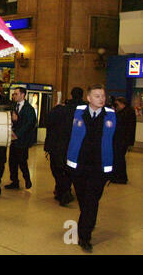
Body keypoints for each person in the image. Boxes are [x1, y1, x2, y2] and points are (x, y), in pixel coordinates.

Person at [66, 84, 116, 253]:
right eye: (97, 96)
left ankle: (85, 236)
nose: (101, 99)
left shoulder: (111, 116)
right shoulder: (76, 112)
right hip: (79, 166)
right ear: (88, 98)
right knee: (83, 200)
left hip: (99, 168)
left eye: (102, 96)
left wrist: (113, 168)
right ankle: (86, 224)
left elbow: (117, 142)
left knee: (92, 202)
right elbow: (66, 135)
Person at [6, 86, 37, 190]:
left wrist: (17, 134)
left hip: (22, 140)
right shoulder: (13, 106)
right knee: (12, 162)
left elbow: (30, 124)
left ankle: (27, 179)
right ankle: (14, 181)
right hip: (12, 139)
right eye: (14, 94)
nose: (14, 96)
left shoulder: (29, 109)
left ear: (23, 95)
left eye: (16, 94)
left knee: (22, 161)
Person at [111, 97, 136, 184]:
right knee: (119, 158)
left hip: (122, 139)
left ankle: (120, 177)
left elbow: (120, 124)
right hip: (124, 139)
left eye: (117, 104)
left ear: (122, 103)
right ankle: (118, 176)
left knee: (119, 158)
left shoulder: (126, 112)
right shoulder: (129, 111)